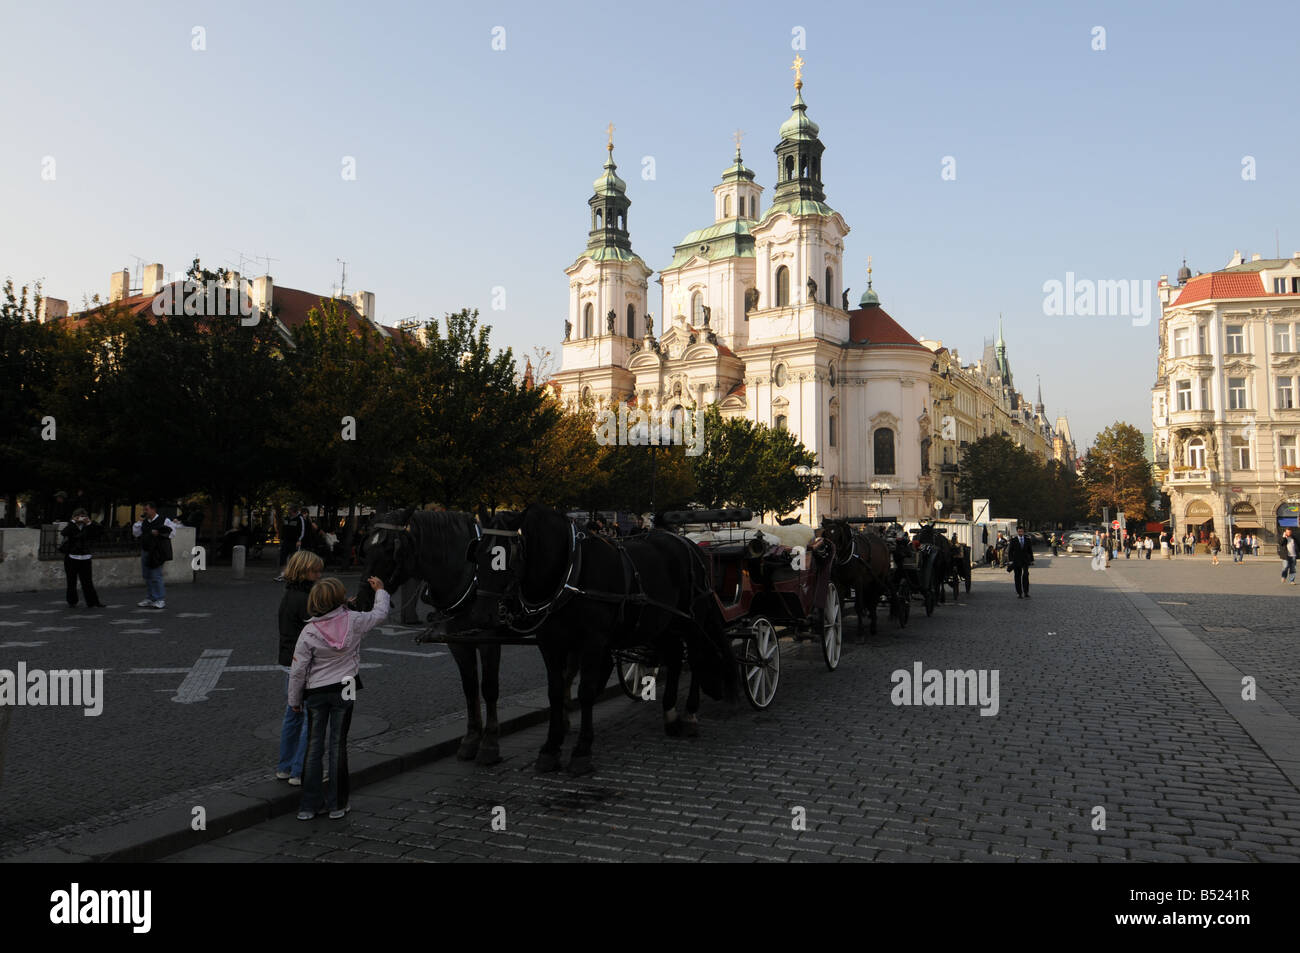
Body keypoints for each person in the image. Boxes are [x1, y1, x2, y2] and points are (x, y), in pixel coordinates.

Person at [288, 575, 390, 820]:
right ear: (340, 599)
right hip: (346, 685)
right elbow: (379, 614)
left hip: (316, 690)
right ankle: (337, 804)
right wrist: (381, 591)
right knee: (338, 744)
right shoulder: (354, 620)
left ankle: (309, 805)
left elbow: (298, 670)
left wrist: (294, 700)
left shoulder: (309, 631)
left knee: (314, 746)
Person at [277, 551, 324, 785]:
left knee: (292, 715)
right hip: (304, 665)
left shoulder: (290, 594)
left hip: (289, 661)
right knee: (310, 718)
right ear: (304, 571)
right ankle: (300, 770)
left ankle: (284, 767)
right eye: (316, 571)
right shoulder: (306, 599)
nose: (319, 575)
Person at [132, 501, 179, 608]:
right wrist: (139, 523)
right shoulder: (144, 521)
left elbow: (172, 533)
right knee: (147, 575)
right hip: (146, 550)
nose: (145, 512)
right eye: (144, 510)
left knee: (156, 575)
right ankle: (150, 597)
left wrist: (159, 533)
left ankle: (160, 599)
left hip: (157, 551)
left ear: (153, 510)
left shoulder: (164, 520)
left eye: (146, 509)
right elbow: (136, 533)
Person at [60, 509, 105, 608]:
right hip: (72, 557)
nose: (81, 518)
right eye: (78, 516)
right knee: (71, 581)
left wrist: (89, 523)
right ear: (74, 516)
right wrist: (73, 521)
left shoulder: (89, 526)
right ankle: (72, 601)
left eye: (82, 516)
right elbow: (64, 533)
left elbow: (99, 532)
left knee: (87, 582)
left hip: (85, 557)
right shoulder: (71, 526)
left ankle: (93, 602)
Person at [1007, 524, 1034, 598]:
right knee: (1017, 577)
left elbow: (1030, 550)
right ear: (1017, 532)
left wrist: (1032, 560)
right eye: (1019, 531)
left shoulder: (1027, 540)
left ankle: (1026, 592)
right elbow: (1010, 551)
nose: (1020, 533)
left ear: (1023, 532)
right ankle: (1019, 592)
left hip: (1025, 561)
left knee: (1025, 575)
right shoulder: (1013, 540)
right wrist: (1011, 560)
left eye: (1021, 531)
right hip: (1016, 561)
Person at [276, 505, 302, 581]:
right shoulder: (286, 518)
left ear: (293, 511)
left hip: (294, 542)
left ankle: (294, 575)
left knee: (294, 558)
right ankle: (283, 575)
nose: (288, 511)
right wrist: (281, 539)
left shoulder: (299, 519)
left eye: (289, 510)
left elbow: (302, 530)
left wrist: (299, 540)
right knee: (283, 557)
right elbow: (283, 529)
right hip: (286, 541)